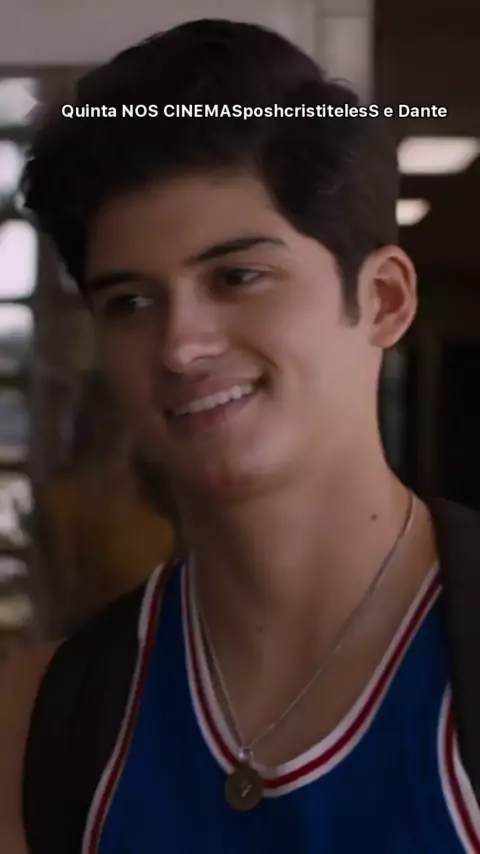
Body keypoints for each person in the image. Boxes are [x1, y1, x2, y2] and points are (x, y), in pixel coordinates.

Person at [1, 18, 479, 854]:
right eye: (131, 302)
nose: (180, 345)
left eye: (238, 276)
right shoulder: (42, 719)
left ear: (384, 299)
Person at [36, 371, 176, 635]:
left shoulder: (163, 485)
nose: (118, 422)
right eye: (108, 412)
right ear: (90, 419)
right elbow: (67, 601)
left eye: (125, 411)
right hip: (111, 639)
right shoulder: (63, 499)